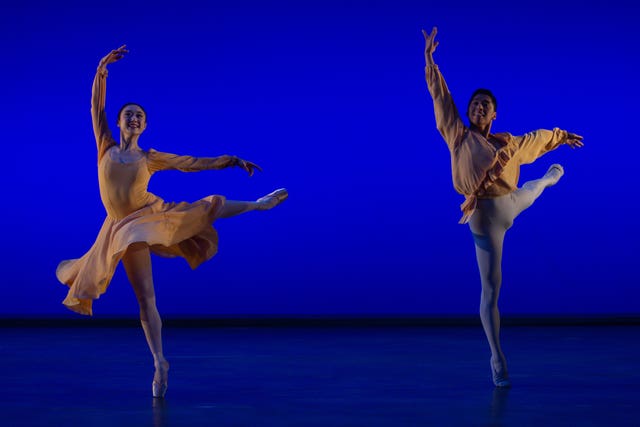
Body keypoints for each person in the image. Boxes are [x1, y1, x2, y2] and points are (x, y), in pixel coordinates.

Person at [56, 45, 288, 398]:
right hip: (117, 229)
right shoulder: (105, 145)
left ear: (145, 126)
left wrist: (230, 160)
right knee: (146, 299)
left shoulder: (149, 157)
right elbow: (95, 107)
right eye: (128, 115)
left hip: (146, 216)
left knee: (201, 209)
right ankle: (160, 362)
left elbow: (191, 163)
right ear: (119, 122)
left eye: (139, 117)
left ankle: (258, 204)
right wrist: (101, 69)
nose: (133, 119)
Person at [422, 28, 583, 387]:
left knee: (532, 188)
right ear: (469, 112)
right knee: (492, 290)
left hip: (509, 203)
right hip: (484, 220)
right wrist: (430, 61)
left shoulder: (508, 145)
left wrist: (561, 135)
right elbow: (441, 97)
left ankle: (547, 180)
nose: (479, 107)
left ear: (494, 113)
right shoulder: (458, 137)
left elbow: (536, 138)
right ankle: (497, 356)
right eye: (474, 104)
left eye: (485, 105)